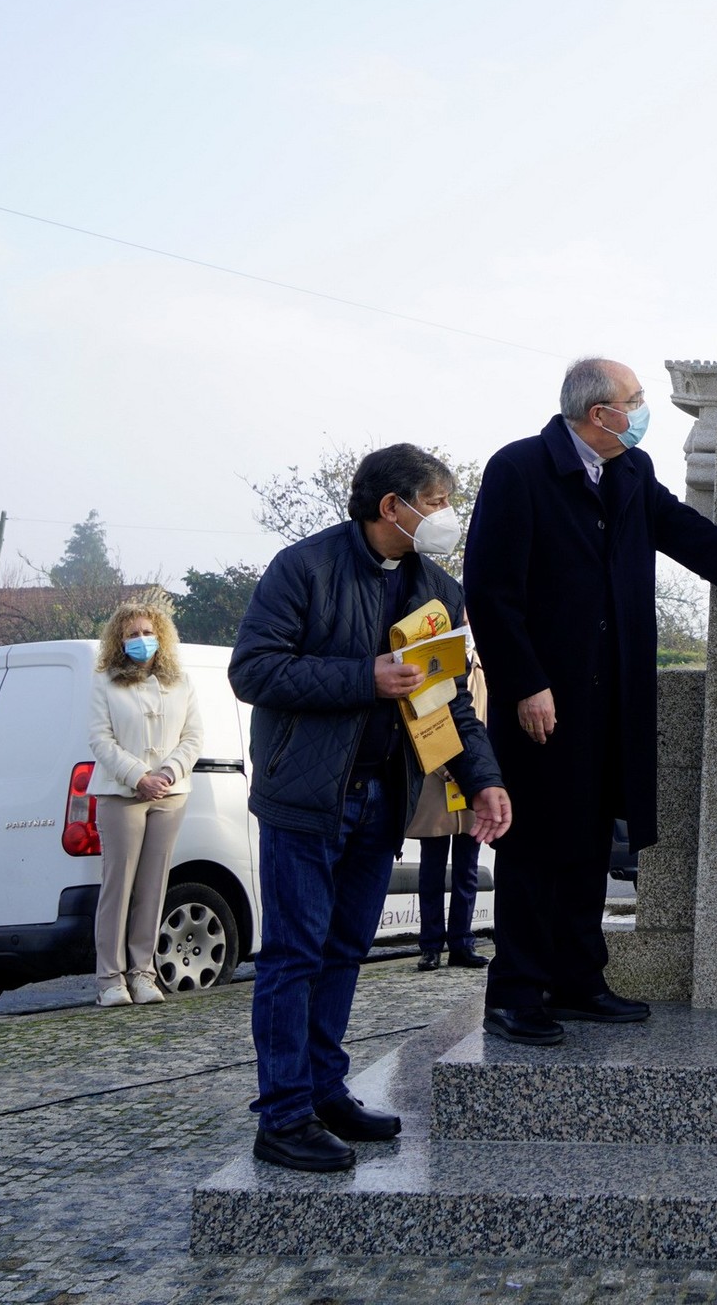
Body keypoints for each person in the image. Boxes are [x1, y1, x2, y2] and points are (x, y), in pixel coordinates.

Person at [463, 357, 717, 1046]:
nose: (643, 408)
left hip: (612, 696)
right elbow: (490, 590)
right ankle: (515, 993)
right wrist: (525, 683)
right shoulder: (520, 469)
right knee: (537, 845)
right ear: (600, 413)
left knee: (591, 838)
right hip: (544, 698)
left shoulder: (630, 471)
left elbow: (684, 531)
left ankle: (577, 980)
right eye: (636, 398)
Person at [231, 443, 511, 1172]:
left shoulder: (438, 590)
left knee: (345, 951)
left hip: (385, 798)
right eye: (437, 502)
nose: (447, 516)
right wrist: (366, 677)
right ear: (393, 507)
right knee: (293, 956)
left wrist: (484, 778)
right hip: (307, 798)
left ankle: (325, 1091)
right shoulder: (303, 567)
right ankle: (283, 1115)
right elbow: (253, 670)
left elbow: (449, 700)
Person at [87, 599, 204, 1008]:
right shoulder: (105, 681)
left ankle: (142, 973)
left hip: (170, 794)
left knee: (154, 886)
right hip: (122, 794)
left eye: (148, 632)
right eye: (133, 634)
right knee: (118, 887)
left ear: (161, 636)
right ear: (119, 640)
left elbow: (193, 737)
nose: (141, 639)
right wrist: (139, 776)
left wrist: (167, 774)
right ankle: (109, 979)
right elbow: (100, 739)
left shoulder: (181, 681)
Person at [415, 830, 485, 971]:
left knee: (467, 871)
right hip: (434, 815)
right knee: (431, 871)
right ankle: (431, 946)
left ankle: (461, 944)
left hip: (468, 815)